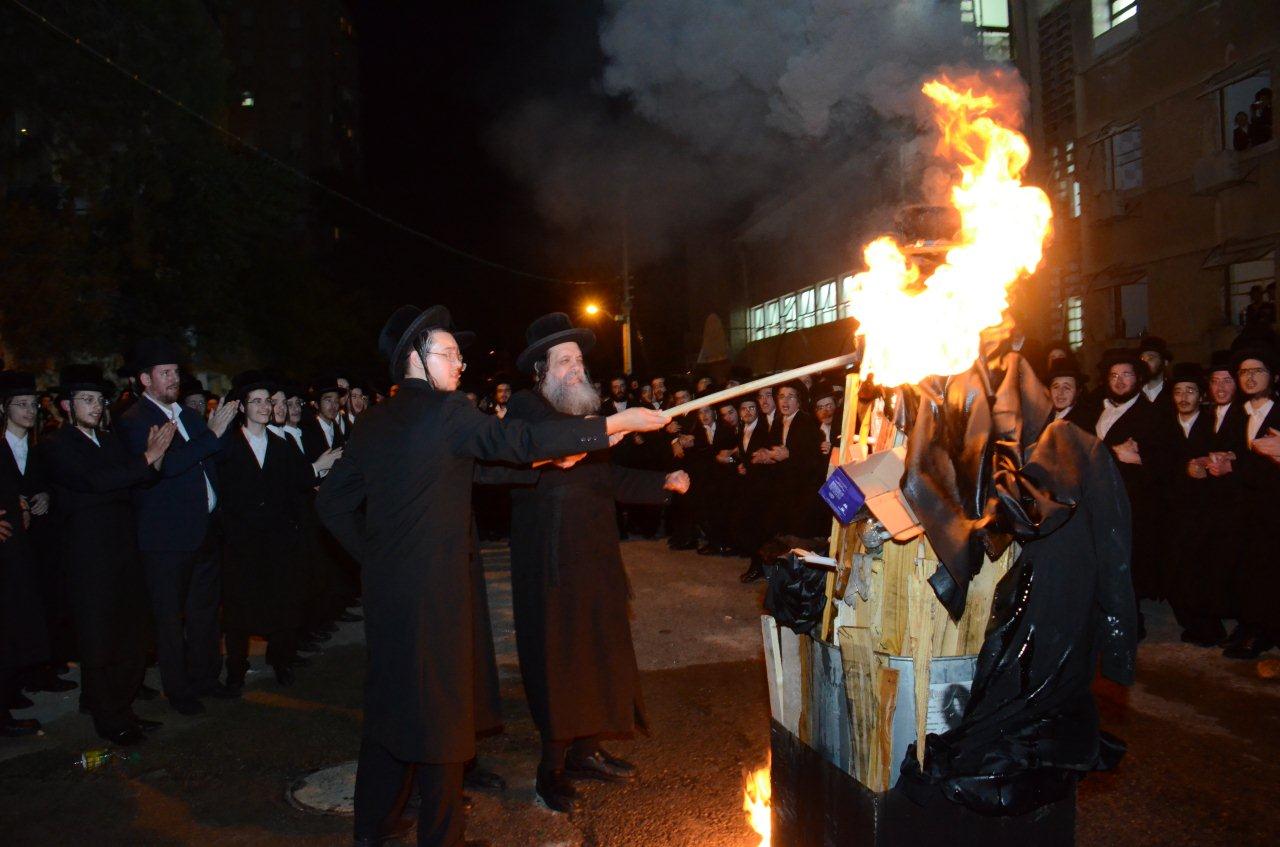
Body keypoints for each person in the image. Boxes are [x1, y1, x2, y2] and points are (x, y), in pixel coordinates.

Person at [316, 305, 667, 847]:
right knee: (443, 724)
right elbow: (516, 442)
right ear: (416, 359)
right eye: (449, 354)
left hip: (390, 597)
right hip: (436, 600)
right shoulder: (447, 413)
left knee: (389, 714)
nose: (460, 364)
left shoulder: (376, 422)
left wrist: (377, 561)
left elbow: (337, 503)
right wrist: (614, 423)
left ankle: (372, 831)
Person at [504, 312, 687, 815]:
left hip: (597, 557)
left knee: (598, 652)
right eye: (564, 361)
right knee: (559, 661)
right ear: (540, 370)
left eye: (579, 360)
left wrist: (661, 483)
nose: (574, 369)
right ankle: (551, 768)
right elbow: (555, 444)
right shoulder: (527, 408)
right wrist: (612, 426)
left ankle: (585, 751)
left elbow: (606, 479)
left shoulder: (588, 413)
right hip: (552, 563)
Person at [42, 364, 175, 744]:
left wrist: (156, 458)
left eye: (100, 399)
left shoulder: (109, 440)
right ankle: (107, 715)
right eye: (86, 399)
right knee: (99, 638)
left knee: (130, 633)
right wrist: (146, 459)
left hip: (123, 549)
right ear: (66, 406)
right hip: (88, 556)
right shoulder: (57, 445)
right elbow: (94, 481)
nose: (96, 406)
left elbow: (139, 478)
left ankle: (122, 707)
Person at [117, 340, 240, 715]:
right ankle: (179, 688)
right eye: (165, 373)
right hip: (166, 539)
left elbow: (209, 456)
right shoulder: (134, 420)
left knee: (204, 613)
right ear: (144, 379)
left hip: (204, 530)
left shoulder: (186, 415)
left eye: (175, 372)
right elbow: (165, 467)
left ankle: (206, 678)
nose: (174, 379)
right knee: (170, 619)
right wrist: (211, 436)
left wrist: (219, 437)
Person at [217, 372, 320, 692]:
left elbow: (296, 492)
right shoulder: (226, 446)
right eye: (257, 401)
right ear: (243, 407)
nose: (264, 407)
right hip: (240, 543)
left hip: (278, 542)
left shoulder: (282, 446)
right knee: (238, 610)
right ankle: (236, 669)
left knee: (282, 605)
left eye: (268, 401)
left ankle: (281, 661)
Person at [1088, 348, 1177, 634]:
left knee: (1127, 567)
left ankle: (1128, 625)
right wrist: (1113, 452)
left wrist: (1136, 458)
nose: (1119, 381)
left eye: (1126, 375)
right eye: (1114, 375)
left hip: (1133, 504)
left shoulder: (1153, 415)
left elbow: (1165, 460)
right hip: (1095, 501)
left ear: (1138, 379)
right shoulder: (1093, 409)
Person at [1, 372, 75, 695]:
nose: (30, 411)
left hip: (39, 542)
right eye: (21, 405)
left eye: (33, 405)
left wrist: (46, 495)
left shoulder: (40, 448)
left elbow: (53, 485)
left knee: (42, 605)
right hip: (9, 544)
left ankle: (38, 672)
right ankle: (12, 686)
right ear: (4, 408)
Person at [1222, 344, 1280, 659]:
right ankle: (1247, 625)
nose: (1250, 377)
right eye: (1244, 372)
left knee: (1268, 571)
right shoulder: (1236, 414)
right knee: (1245, 570)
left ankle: (1264, 632)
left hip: (1272, 511)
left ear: (1272, 376)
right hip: (1242, 509)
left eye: (1258, 371)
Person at [1163, 363, 1220, 646]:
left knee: (1205, 569)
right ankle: (1189, 621)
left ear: (1201, 395)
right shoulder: (1164, 426)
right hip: (1174, 511)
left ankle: (1209, 626)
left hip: (1206, 511)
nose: (1184, 397)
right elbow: (1157, 464)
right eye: (1178, 392)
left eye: (1190, 391)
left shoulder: (1212, 423)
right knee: (1179, 569)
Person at [1046, 358, 1092, 429]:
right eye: (1056, 387)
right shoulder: (1044, 418)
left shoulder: (1083, 423)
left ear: (1078, 391)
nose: (1060, 392)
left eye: (1066, 387)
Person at [1137, 336, 1173, 409]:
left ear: (1165, 362)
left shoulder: (1174, 393)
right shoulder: (1134, 393)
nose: (1145, 363)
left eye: (1151, 358)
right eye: (1142, 358)